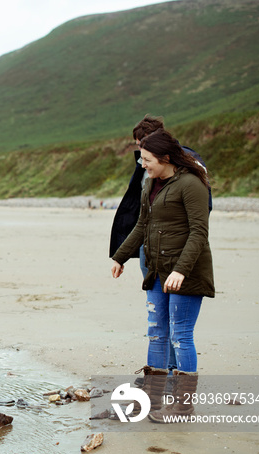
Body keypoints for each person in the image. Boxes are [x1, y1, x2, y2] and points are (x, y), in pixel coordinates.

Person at [111, 128, 214, 423]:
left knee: (180, 335)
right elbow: (142, 225)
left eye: (147, 159)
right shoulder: (152, 184)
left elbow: (199, 232)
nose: (142, 164)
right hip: (156, 271)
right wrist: (121, 256)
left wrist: (181, 269)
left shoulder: (191, 184)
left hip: (186, 272)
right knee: (157, 332)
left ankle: (183, 406)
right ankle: (152, 400)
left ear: (166, 158)